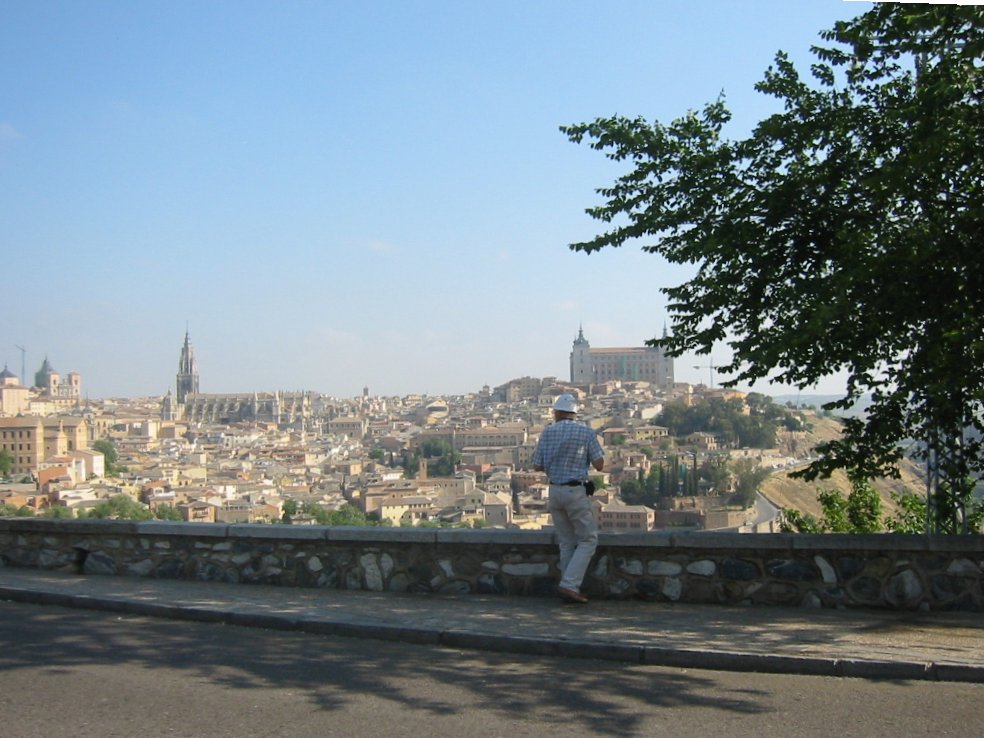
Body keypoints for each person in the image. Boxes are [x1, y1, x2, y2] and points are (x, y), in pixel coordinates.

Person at [532, 393, 604, 604]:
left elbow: (537, 465)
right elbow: (599, 464)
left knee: (566, 542)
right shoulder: (586, 432)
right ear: (573, 413)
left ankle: (567, 585)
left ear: (556, 412)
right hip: (575, 491)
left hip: (554, 491)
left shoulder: (547, 432)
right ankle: (569, 585)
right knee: (588, 539)